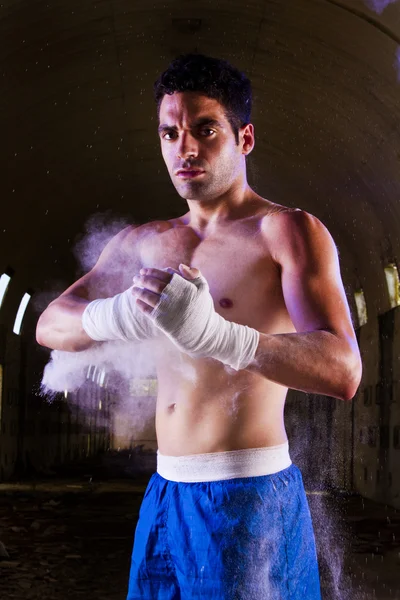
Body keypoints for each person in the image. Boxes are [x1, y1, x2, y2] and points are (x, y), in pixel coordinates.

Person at [36, 53, 362, 599]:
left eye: (205, 129)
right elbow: (50, 324)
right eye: (170, 133)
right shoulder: (143, 241)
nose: (184, 148)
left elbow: (343, 369)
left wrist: (214, 335)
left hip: (247, 494)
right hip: (165, 494)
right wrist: (118, 316)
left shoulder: (286, 232)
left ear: (245, 138)